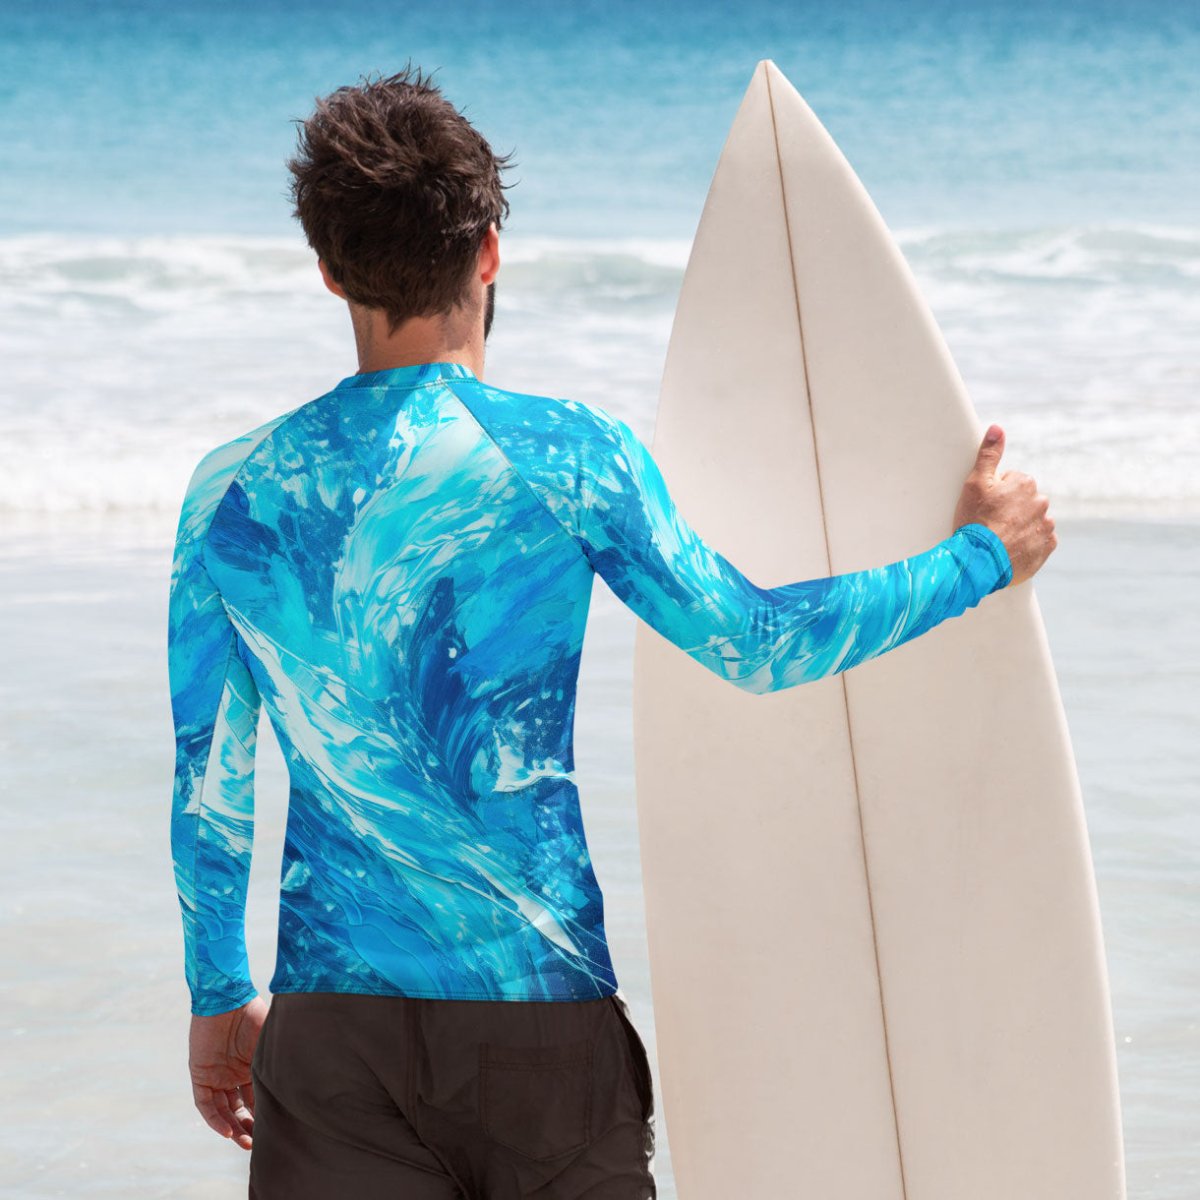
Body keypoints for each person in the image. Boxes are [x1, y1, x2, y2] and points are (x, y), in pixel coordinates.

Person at [167, 65, 1057, 1200]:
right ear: (488, 249)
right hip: (538, 1030)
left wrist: (214, 999)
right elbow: (757, 641)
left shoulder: (230, 494)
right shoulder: (569, 455)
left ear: (330, 269)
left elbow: (210, 782)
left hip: (331, 1036)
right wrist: (980, 556)